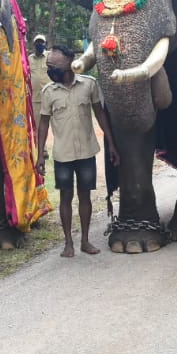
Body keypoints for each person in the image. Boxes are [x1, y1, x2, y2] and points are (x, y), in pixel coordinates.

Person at [35, 45, 119, 257]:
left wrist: (111, 144)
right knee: (65, 197)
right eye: (48, 66)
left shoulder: (89, 85)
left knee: (85, 197)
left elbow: (100, 115)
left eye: (54, 66)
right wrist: (40, 155)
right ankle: (68, 243)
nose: (50, 70)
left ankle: (85, 241)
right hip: (62, 154)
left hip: (86, 152)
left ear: (70, 63)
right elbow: (43, 124)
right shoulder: (48, 92)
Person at [28, 34, 50, 110]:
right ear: (34, 44)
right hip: (35, 98)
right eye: (37, 42)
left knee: (52, 121)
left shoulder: (50, 56)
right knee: (37, 121)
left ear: (45, 44)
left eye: (41, 42)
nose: (39, 44)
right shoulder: (29, 59)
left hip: (50, 96)